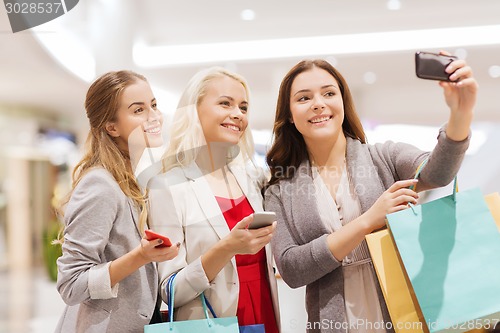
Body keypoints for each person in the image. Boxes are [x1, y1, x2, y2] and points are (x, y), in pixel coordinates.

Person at [264, 55, 477, 332]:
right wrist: (368, 220)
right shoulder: (280, 189)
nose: (318, 103)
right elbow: (292, 269)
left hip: (399, 310)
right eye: (304, 98)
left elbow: (437, 173)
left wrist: (461, 113)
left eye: (329, 93)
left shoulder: (384, 156)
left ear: (342, 102)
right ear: (290, 116)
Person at [147, 67, 280, 332]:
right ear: (194, 110)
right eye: (225, 103)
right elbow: (170, 289)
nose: (238, 114)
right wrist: (226, 248)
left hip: (264, 312)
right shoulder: (167, 186)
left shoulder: (250, 178)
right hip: (213, 322)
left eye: (243, 107)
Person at [55, 70, 180, 333]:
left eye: (153, 105)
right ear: (112, 127)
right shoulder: (101, 184)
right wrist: (140, 256)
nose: (154, 117)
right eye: (138, 110)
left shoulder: (134, 179)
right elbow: (71, 284)